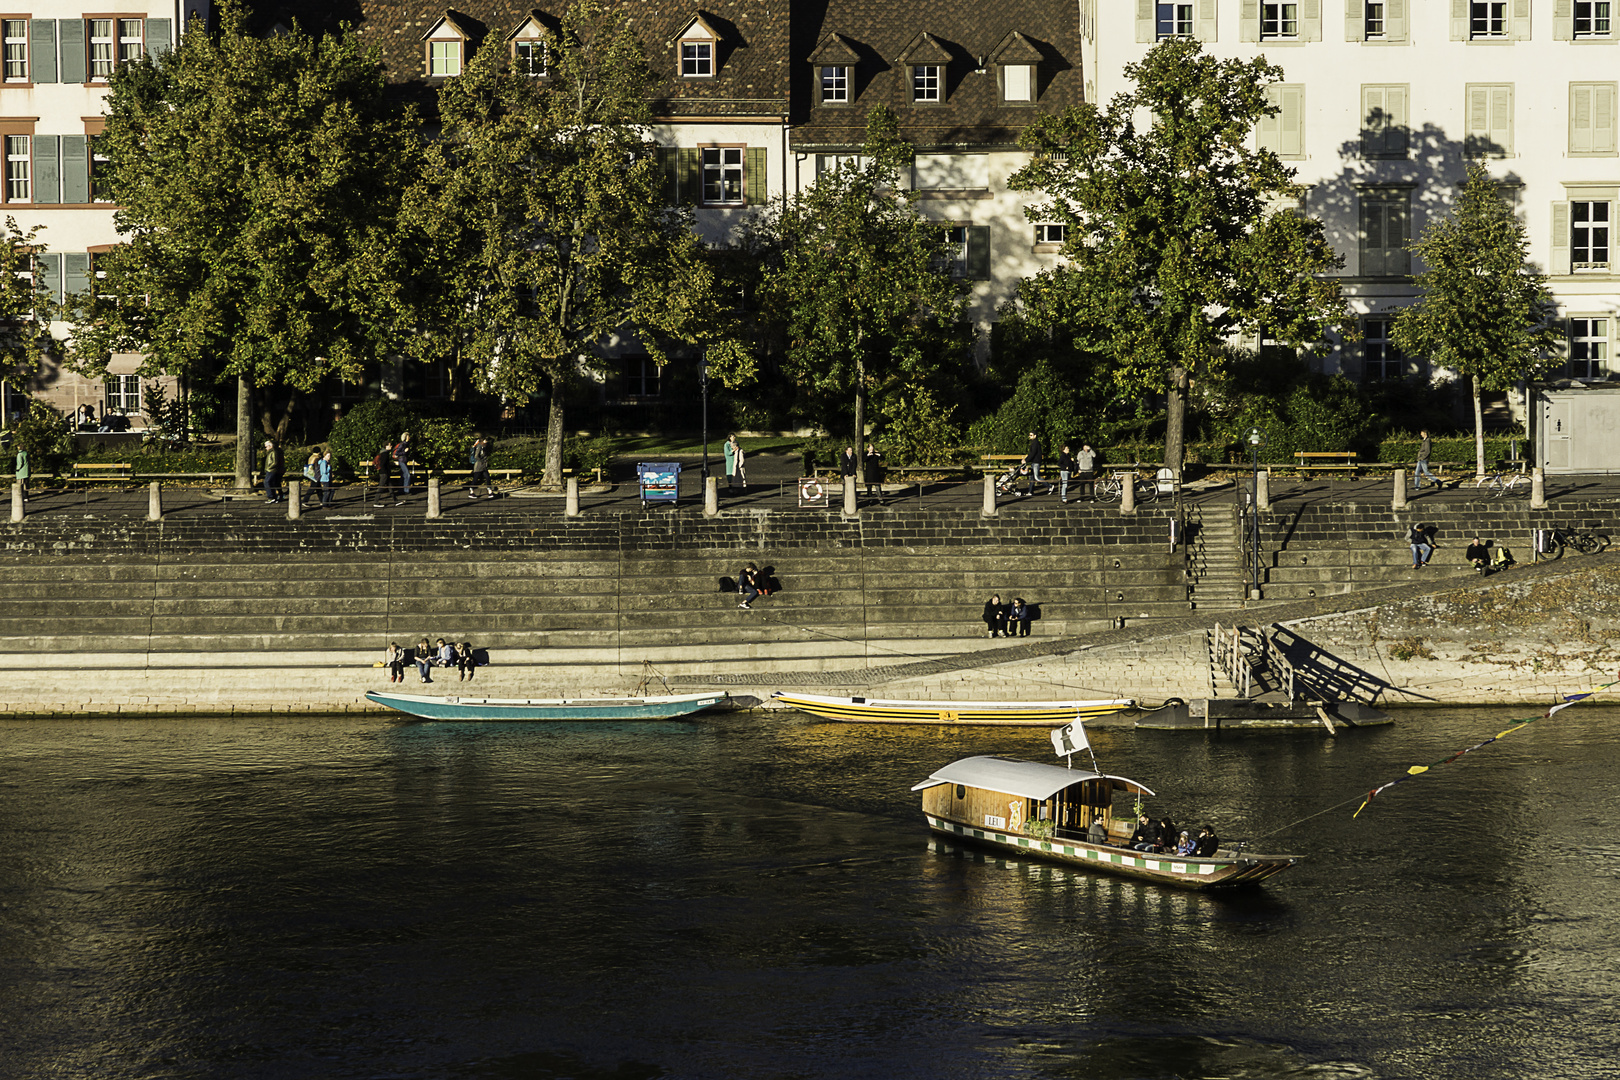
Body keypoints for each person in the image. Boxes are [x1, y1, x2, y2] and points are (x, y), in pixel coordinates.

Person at [1023, 431, 1050, 496]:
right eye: (1029, 435)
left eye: (1031, 435)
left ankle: (1049, 486)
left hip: (1036, 462)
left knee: (1036, 477)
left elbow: (1033, 453)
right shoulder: (1033, 443)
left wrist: (1026, 460)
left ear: (1035, 436)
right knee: (1031, 477)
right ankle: (1030, 491)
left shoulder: (1035, 443)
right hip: (1033, 462)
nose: (1030, 436)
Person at [372, 441, 395, 506]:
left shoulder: (382, 453)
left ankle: (395, 500)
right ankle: (376, 502)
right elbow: (383, 464)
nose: (391, 446)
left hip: (384, 473)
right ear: (386, 446)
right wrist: (386, 471)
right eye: (390, 445)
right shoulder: (385, 454)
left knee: (390, 487)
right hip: (384, 473)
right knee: (381, 487)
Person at [395, 432, 415, 498]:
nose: (409, 437)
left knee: (403, 475)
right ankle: (406, 490)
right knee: (407, 474)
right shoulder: (402, 444)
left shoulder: (407, 444)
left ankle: (401, 489)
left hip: (404, 460)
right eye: (408, 436)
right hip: (402, 461)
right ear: (405, 437)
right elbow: (397, 453)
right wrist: (404, 452)